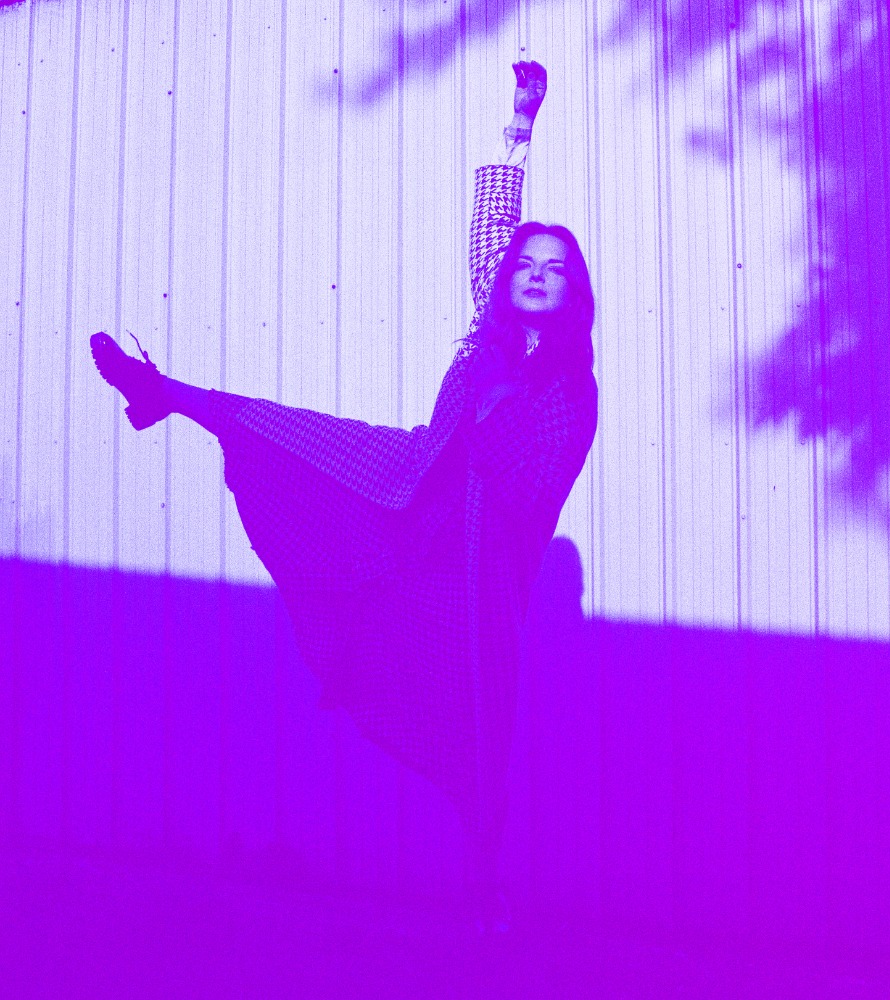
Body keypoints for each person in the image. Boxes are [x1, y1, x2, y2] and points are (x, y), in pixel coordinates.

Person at [90, 60, 598, 932]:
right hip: (408, 491)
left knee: (481, 735)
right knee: (295, 438)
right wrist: (521, 123)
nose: (536, 272)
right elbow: (493, 227)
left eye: (556, 267)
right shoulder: (485, 334)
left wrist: (493, 416)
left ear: (574, 288)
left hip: (477, 569)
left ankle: (484, 886)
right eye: (527, 263)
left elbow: (531, 491)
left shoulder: (570, 390)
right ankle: (161, 393)